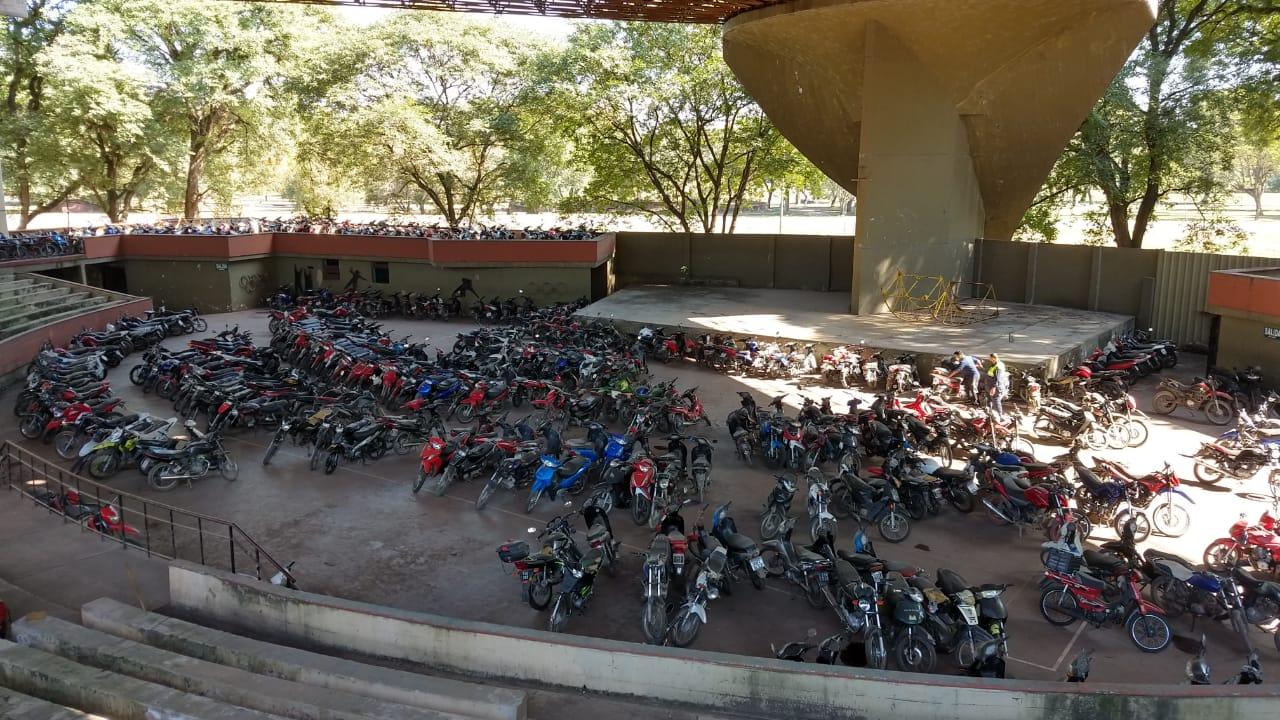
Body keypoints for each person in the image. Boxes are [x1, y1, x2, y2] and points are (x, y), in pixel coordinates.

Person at [986, 353, 1009, 419]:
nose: (989, 359)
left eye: (990, 358)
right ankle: (990, 413)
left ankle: (1000, 416)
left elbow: (997, 378)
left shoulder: (998, 367)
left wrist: (994, 387)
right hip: (990, 385)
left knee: (996, 401)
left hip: (996, 386)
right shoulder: (996, 364)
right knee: (989, 400)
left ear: (994, 358)